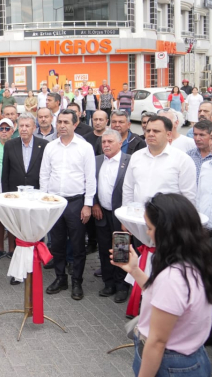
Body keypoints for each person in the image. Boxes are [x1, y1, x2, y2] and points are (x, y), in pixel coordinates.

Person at [111, 193, 212, 377]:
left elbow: (157, 341)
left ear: (166, 231)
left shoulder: (173, 277)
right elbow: (161, 295)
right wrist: (135, 270)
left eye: (150, 228)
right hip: (191, 355)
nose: (147, 233)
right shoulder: (195, 260)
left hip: (170, 363)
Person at [40, 110, 97, 301]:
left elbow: (90, 178)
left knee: (78, 244)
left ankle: (77, 282)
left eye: (66, 122)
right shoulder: (51, 147)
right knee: (57, 244)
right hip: (55, 202)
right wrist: (45, 201)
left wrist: (87, 205)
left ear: (75, 124)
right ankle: (60, 278)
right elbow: (44, 175)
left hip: (76, 202)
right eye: (60, 122)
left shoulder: (85, 147)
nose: (62, 125)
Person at [91, 129, 131, 303]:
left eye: (110, 142)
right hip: (102, 213)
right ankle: (109, 283)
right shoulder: (97, 161)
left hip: (121, 215)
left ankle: (122, 285)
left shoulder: (129, 161)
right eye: (104, 142)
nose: (106, 145)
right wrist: (95, 203)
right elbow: (90, 184)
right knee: (104, 248)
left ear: (120, 143)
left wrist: (126, 216)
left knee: (121, 250)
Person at [123, 115, 197, 206]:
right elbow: (128, 189)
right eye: (148, 130)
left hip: (168, 214)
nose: (150, 134)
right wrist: (126, 211)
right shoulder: (136, 156)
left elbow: (189, 196)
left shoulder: (182, 160)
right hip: (137, 213)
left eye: (156, 131)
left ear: (168, 135)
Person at [186, 120, 212, 184]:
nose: (197, 138)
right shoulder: (188, 156)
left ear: (211, 136)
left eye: (202, 135)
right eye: (195, 134)